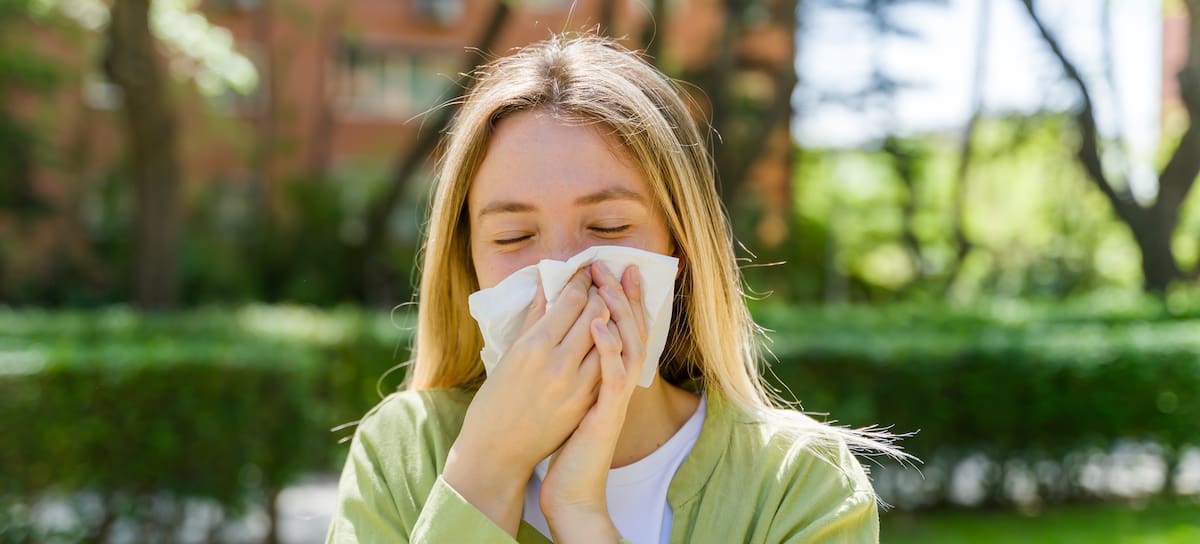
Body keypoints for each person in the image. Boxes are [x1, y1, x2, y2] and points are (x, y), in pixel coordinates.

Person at [325, 33, 905, 544]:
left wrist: (582, 515)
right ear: (468, 263)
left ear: (679, 246)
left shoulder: (796, 484)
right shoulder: (403, 449)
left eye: (607, 228)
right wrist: (486, 471)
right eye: (514, 236)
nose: (562, 277)